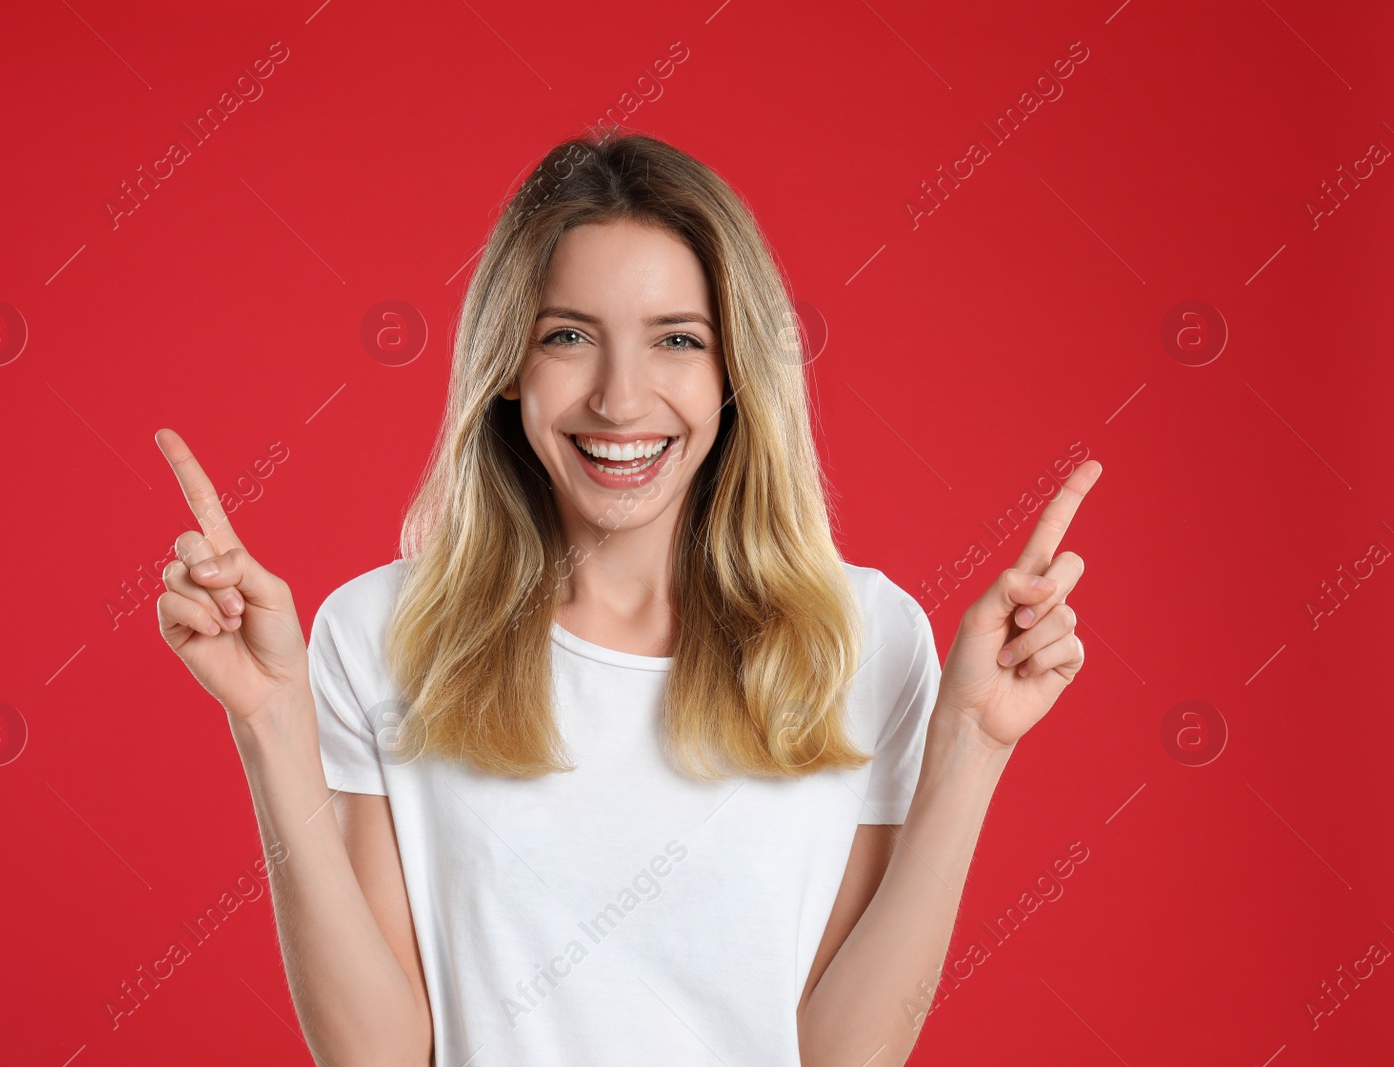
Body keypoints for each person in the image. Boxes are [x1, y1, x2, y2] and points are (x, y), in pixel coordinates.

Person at [154, 130, 1100, 1067]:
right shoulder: (379, 635)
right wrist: (270, 721)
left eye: (677, 340)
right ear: (508, 368)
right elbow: (379, 1056)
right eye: (567, 336)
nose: (619, 398)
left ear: (735, 374)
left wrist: (972, 745)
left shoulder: (866, 639)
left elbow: (844, 1054)